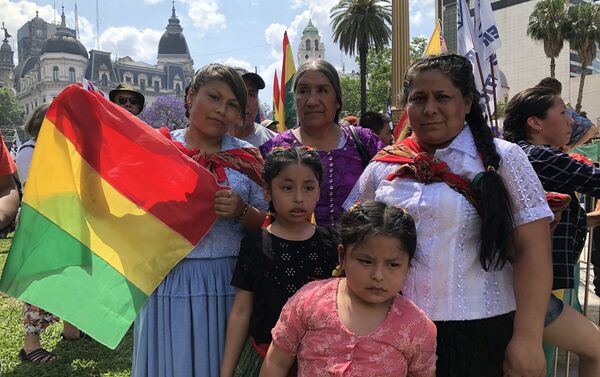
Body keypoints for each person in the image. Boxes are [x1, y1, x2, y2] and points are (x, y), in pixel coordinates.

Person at [345, 54, 553, 377]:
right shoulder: (382, 166)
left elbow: (534, 250)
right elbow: (352, 235)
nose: (429, 109)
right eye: (418, 98)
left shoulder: (504, 159)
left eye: (443, 97)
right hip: (392, 332)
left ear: (467, 102)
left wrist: (528, 338)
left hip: (481, 332)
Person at [132, 64, 268, 377]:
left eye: (233, 104)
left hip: (229, 281)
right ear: (191, 96)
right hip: (168, 277)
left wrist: (241, 210)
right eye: (214, 97)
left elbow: (268, 224)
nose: (222, 110)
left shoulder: (248, 157)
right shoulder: (158, 148)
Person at [259, 201, 437, 377]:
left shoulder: (415, 325)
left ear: (408, 265)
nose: (378, 275)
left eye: (393, 264)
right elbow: (276, 363)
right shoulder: (309, 301)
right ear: (342, 256)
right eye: (366, 261)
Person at [502, 85, 600, 376]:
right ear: (535, 122)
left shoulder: (523, 155)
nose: (571, 120)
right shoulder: (537, 157)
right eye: (562, 112)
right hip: (523, 289)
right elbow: (595, 179)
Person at [220, 147, 338, 377]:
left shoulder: (333, 244)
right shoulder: (255, 244)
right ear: (267, 191)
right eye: (286, 187)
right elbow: (242, 311)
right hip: (263, 359)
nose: (298, 197)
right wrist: (226, 371)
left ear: (319, 192)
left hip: (317, 363)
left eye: (308, 187)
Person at [260, 59, 383, 228]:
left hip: (358, 252)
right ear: (294, 99)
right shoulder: (274, 149)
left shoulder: (365, 142)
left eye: (322, 90)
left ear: (337, 100)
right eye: (303, 91)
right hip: (294, 253)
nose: (312, 101)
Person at [14, 104, 88, 364]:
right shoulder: (29, 151)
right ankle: (30, 345)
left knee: (70, 277)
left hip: (65, 223)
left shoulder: (60, 151)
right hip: (43, 227)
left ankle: (72, 329)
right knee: (41, 285)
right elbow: (38, 190)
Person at [232, 68, 277, 147]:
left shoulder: (276, 143)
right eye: (239, 93)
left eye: (252, 94)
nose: (246, 102)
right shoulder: (209, 143)